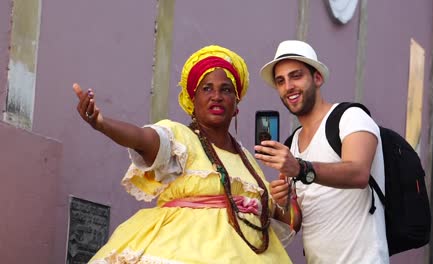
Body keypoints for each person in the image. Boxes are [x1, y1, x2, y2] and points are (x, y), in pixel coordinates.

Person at [73, 45, 301, 263]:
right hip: (180, 250)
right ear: (193, 100)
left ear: (236, 104)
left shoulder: (248, 161)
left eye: (226, 90)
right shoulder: (179, 137)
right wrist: (102, 124)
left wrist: (285, 200)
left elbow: (282, 221)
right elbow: (142, 138)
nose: (217, 96)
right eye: (207, 88)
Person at [254, 40, 389, 263]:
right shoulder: (292, 143)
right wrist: (282, 203)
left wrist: (299, 168)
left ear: (317, 78)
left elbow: (359, 173)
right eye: (281, 81)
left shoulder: (350, 117)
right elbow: (294, 223)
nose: (288, 86)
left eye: (296, 76)